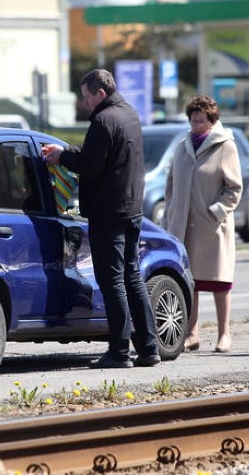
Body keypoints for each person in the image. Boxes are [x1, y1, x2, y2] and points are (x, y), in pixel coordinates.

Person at [42, 68, 161, 369]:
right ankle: (149, 348)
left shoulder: (103, 120)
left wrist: (63, 156)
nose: (84, 104)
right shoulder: (129, 114)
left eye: (86, 97)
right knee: (132, 277)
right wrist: (68, 151)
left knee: (112, 282)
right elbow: (104, 157)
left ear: (100, 94)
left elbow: (91, 165)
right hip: (132, 209)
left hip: (109, 212)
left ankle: (119, 352)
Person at [163, 94, 242, 353]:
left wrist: (216, 212)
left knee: (220, 282)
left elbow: (234, 188)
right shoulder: (182, 145)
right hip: (183, 225)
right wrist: (169, 218)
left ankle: (224, 335)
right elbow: (171, 186)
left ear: (212, 120)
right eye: (193, 120)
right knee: (190, 283)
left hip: (212, 228)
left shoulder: (225, 145)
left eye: (201, 120)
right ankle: (192, 333)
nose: (196, 124)